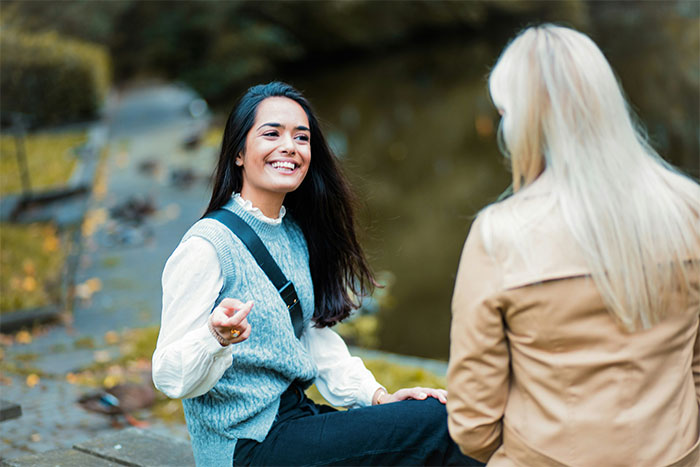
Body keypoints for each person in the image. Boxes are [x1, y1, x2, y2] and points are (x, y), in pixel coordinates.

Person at [153, 81, 479, 466]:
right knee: (440, 423)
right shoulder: (208, 248)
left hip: (293, 422)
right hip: (244, 448)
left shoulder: (293, 234)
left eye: (301, 137)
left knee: (442, 422)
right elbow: (168, 375)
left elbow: (313, 339)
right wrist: (214, 338)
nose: (289, 146)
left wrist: (377, 398)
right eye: (271, 133)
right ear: (239, 152)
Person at [447, 24, 700, 467]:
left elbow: (473, 422)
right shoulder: (690, 210)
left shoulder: (499, 235)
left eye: (505, 113)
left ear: (523, 122)